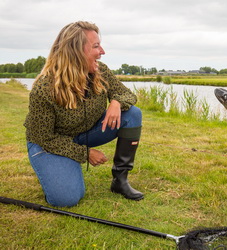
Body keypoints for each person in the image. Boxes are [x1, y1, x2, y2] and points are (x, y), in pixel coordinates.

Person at [24, 21, 144, 207]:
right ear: (76, 51)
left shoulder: (100, 70)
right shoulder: (43, 88)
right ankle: (59, 166)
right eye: (96, 46)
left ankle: (120, 181)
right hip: (48, 143)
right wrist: (84, 154)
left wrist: (116, 102)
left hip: (86, 133)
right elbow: (44, 138)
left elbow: (127, 94)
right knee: (66, 199)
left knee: (132, 114)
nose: (102, 51)